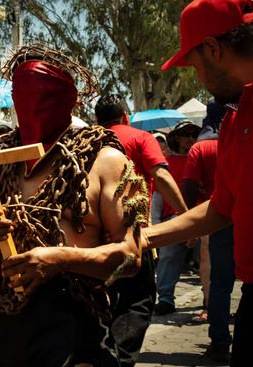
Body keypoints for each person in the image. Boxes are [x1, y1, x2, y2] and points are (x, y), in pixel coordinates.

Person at [0, 44, 148, 366]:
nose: (31, 107)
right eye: (21, 96)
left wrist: (62, 259)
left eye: (43, 95)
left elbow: (133, 258)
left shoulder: (105, 161)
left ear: (68, 98)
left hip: (70, 322)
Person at [143, 0, 253, 366]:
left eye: (194, 65)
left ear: (213, 49)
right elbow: (222, 207)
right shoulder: (235, 118)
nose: (199, 79)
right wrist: (142, 239)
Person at [94, 94, 188, 366]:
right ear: (125, 115)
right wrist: (186, 215)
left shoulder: (89, 141)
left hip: (92, 237)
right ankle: (121, 360)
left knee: (103, 297)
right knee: (138, 299)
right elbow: (160, 175)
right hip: (132, 235)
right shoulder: (140, 137)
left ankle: (101, 352)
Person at [181, 100, 234, 362]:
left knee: (219, 281)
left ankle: (220, 341)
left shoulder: (200, 147)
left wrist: (188, 223)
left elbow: (189, 187)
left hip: (215, 218)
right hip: (249, 214)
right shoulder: (242, 141)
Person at [153, 120, 200, 315]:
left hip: (201, 216)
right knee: (168, 257)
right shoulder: (167, 163)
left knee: (206, 259)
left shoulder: (200, 158)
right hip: (172, 218)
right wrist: (154, 225)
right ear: (176, 138)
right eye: (185, 134)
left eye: (193, 134)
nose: (190, 138)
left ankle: (210, 299)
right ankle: (165, 298)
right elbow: (157, 196)